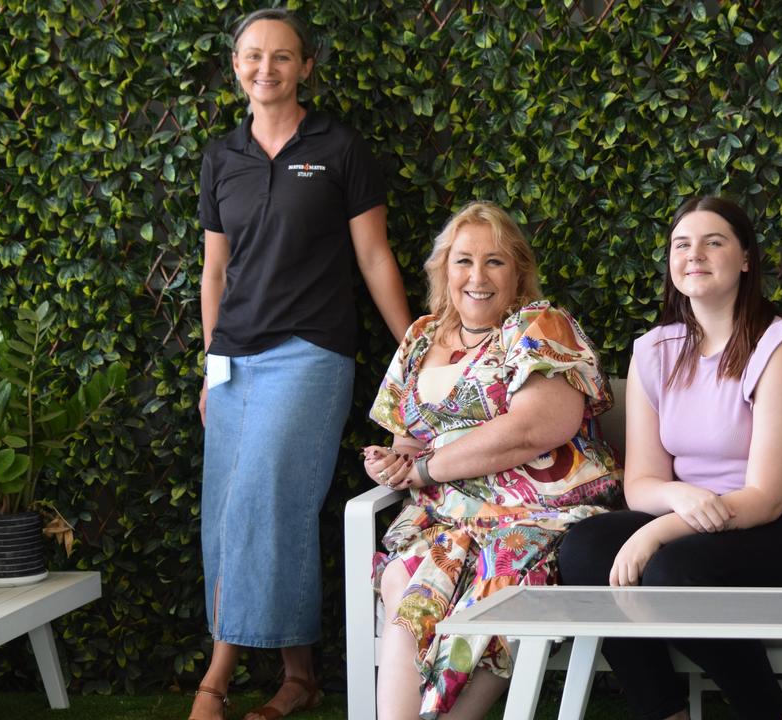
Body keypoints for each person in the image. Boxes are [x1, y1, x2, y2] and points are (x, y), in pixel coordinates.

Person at [557, 195, 782, 720]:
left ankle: (771, 713)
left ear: (745, 259)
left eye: (713, 242)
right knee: (584, 550)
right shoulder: (654, 351)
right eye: (681, 244)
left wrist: (655, 531)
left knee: (673, 569)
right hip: (694, 519)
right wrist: (678, 497)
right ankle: (663, 712)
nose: (694, 254)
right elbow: (642, 483)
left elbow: (766, 498)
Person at [191, 9, 412, 720]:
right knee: (239, 513)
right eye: (253, 56)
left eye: (282, 57)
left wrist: (415, 348)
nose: (266, 69)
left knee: (259, 497)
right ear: (235, 66)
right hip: (234, 361)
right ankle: (299, 676)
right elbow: (213, 271)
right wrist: (208, 359)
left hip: (311, 353)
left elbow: (374, 256)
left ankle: (215, 680)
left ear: (306, 66)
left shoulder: (339, 148)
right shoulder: (221, 157)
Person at [362, 201, 620, 720]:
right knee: (410, 577)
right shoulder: (419, 338)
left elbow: (537, 428)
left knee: (498, 577)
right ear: (443, 271)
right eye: (463, 261)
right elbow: (405, 442)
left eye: (495, 261)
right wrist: (389, 465)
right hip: (437, 519)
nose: (477, 276)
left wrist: (427, 468)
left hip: (534, 515)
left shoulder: (539, 325)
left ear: (519, 271)